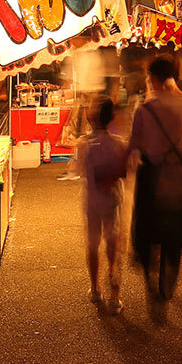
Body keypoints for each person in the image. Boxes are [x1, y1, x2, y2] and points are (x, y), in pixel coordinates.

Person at [126, 54, 182, 303]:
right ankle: (169, 276)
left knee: (147, 225)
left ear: (154, 80)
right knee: (176, 228)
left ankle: (149, 266)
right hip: (179, 173)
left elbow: (134, 145)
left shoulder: (146, 110)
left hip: (152, 174)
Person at [79, 96, 126, 314]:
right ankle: (114, 292)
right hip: (113, 199)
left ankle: (95, 288)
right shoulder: (119, 144)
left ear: (93, 118)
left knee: (92, 243)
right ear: (112, 117)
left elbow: (82, 171)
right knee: (112, 242)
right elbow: (124, 172)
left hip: (92, 200)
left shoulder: (84, 145)